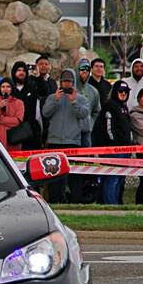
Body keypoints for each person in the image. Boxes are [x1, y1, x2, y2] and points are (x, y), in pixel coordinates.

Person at [41, 69, 89, 202]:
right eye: (64, 81)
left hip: (72, 142)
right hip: (55, 141)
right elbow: (45, 113)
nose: (66, 85)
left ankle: (75, 200)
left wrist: (74, 102)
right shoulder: (52, 97)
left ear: (73, 83)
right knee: (55, 175)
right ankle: (55, 200)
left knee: (74, 175)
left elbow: (84, 114)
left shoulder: (81, 98)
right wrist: (55, 100)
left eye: (69, 82)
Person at [91, 80, 133, 205]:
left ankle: (114, 202)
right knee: (112, 178)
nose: (123, 94)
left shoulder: (123, 107)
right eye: (121, 91)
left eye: (126, 92)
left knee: (119, 178)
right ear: (115, 92)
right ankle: (110, 204)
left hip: (125, 149)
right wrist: (115, 145)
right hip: (114, 150)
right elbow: (108, 128)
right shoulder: (110, 105)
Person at [0, 78, 24, 152]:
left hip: (13, 140)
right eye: (3, 87)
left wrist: (1, 119)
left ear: (12, 88)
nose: (5, 89)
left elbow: (17, 121)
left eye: (8, 86)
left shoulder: (19, 103)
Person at [10, 60, 41, 150]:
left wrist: (38, 76)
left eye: (23, 70)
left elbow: (43, 91)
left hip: (31, 130)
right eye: (19, 70)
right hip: (14, 130)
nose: (21, 73)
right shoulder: (9, 88)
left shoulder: (32, 86)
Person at [76, 58, 101, 147]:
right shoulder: (71, 89)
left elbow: (97, 111)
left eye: (87, 69)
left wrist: (90, 123)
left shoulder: (93, 91)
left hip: (86, 133)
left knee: (86, 159)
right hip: (71, 134)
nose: (85, 71)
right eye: (82, 69)